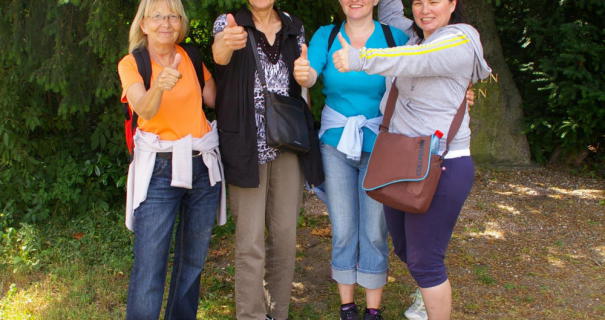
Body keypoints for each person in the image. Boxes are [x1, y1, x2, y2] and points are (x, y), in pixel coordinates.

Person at [332, 0, 492, 319]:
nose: (425, 9)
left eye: (434, 1)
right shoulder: (414, 37)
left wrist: (359, 57)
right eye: (419, 2)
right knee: (406, 249)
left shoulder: (460, 37)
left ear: (452, 4)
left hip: (442, 163)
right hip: (402, 158)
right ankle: (425, 288)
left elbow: (418, 60)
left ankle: (431, 304)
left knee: (425, 261)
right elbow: (392, 12)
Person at [293, 1, 408, 319]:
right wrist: (304, 74)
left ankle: (373, 310)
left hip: (381, 146)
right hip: (335, 145)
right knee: (343, 228)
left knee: (373, 229)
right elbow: (310, 74)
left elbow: (417, 74)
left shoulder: (394, 37)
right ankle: (347, 306)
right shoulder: (326, 37)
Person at [118, 0, 225, 319]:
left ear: (181, 22)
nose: (167, 22)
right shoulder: (132, 63)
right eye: (158, 16)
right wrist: (159, 87)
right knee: (150, 264)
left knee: (193, 261)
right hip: (159, 170)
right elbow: (144, 108)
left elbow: (214, 99)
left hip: (202, 167)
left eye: (173, 16)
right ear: (144, 24)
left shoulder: (190, 56)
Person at [211, 1, 318, 319]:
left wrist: (306, 76)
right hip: (245, 145)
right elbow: (220, 57)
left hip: (287, 141)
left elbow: (304, 75)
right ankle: (252, 315)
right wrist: (225, 43)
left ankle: (278, 311)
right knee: (250, 240)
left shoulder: (292, 25)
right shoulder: (230, 22)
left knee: (285, 236)